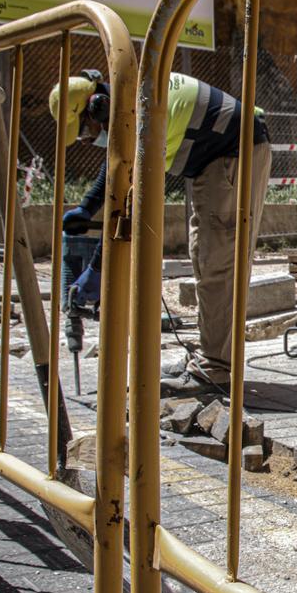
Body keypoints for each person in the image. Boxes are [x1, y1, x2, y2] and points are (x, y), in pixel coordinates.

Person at [49, 70, 272, 395]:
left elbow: (130, 197)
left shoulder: (143, 111)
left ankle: (217, 369)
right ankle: (212, 358)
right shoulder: (136, 102)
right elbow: (118, 165)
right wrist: (87, 206)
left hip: (233, 157)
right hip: (219, 160)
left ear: (97, 106)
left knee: (218, 265)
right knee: (205, 259)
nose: (87, 139)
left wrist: (97, 269)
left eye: (85, 129)